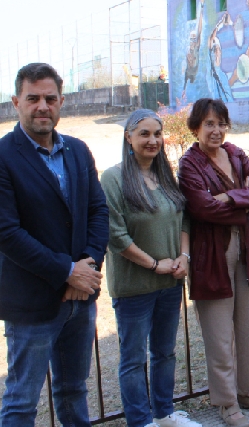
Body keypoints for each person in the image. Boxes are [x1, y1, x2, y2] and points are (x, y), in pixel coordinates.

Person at [0, 62, 109, 426]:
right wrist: (67, 273)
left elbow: (97, 210)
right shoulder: (3, 156)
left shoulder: (77, 150)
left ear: (62, 101)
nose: (42, 106)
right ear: (16, 102)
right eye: (33, 98)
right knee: (20, 401)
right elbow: (7, 232)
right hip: (32, 301)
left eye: (50, 98)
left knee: (74, 390)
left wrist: (87, 267)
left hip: (81, 300)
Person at [100, 109, 201, 427]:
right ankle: (140, 421)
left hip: (170, 285)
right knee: (132, 360)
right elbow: (115, 234)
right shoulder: (113, 178)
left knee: (165, 353)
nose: (152, 140)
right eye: (144, 133)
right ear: (128, 137)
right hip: (134, 288)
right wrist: (154, 264)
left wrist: (184, 257)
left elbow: (184, 217)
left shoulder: (167, 177)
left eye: (157, 133)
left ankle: (164, 414)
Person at [178, 98, 249, 427]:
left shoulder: (236, 153)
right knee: (219, 335)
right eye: (209, 124)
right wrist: (243, 202)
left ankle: (248, 393)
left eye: (221, 123)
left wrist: (230, 197)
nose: (216, 130)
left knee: (248, 328)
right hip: (211, 257)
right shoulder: (189, 164)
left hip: (247, 249)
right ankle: (227, 404)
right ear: (196, 128)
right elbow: (202, 208)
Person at [207, 12, 234, 103]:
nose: (216, 52)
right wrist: (220, 23)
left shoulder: (223, 77)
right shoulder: (211, 77)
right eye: (214, 49)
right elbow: (211, 38)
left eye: (217, 49)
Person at [183, 0, 205, 97]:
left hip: (193, 74)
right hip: (190, 74)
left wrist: (202, 7)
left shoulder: (196, 47)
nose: (192, 40)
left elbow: (199, 30)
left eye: (193, 38)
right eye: (191, 38)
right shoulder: (189, 50)